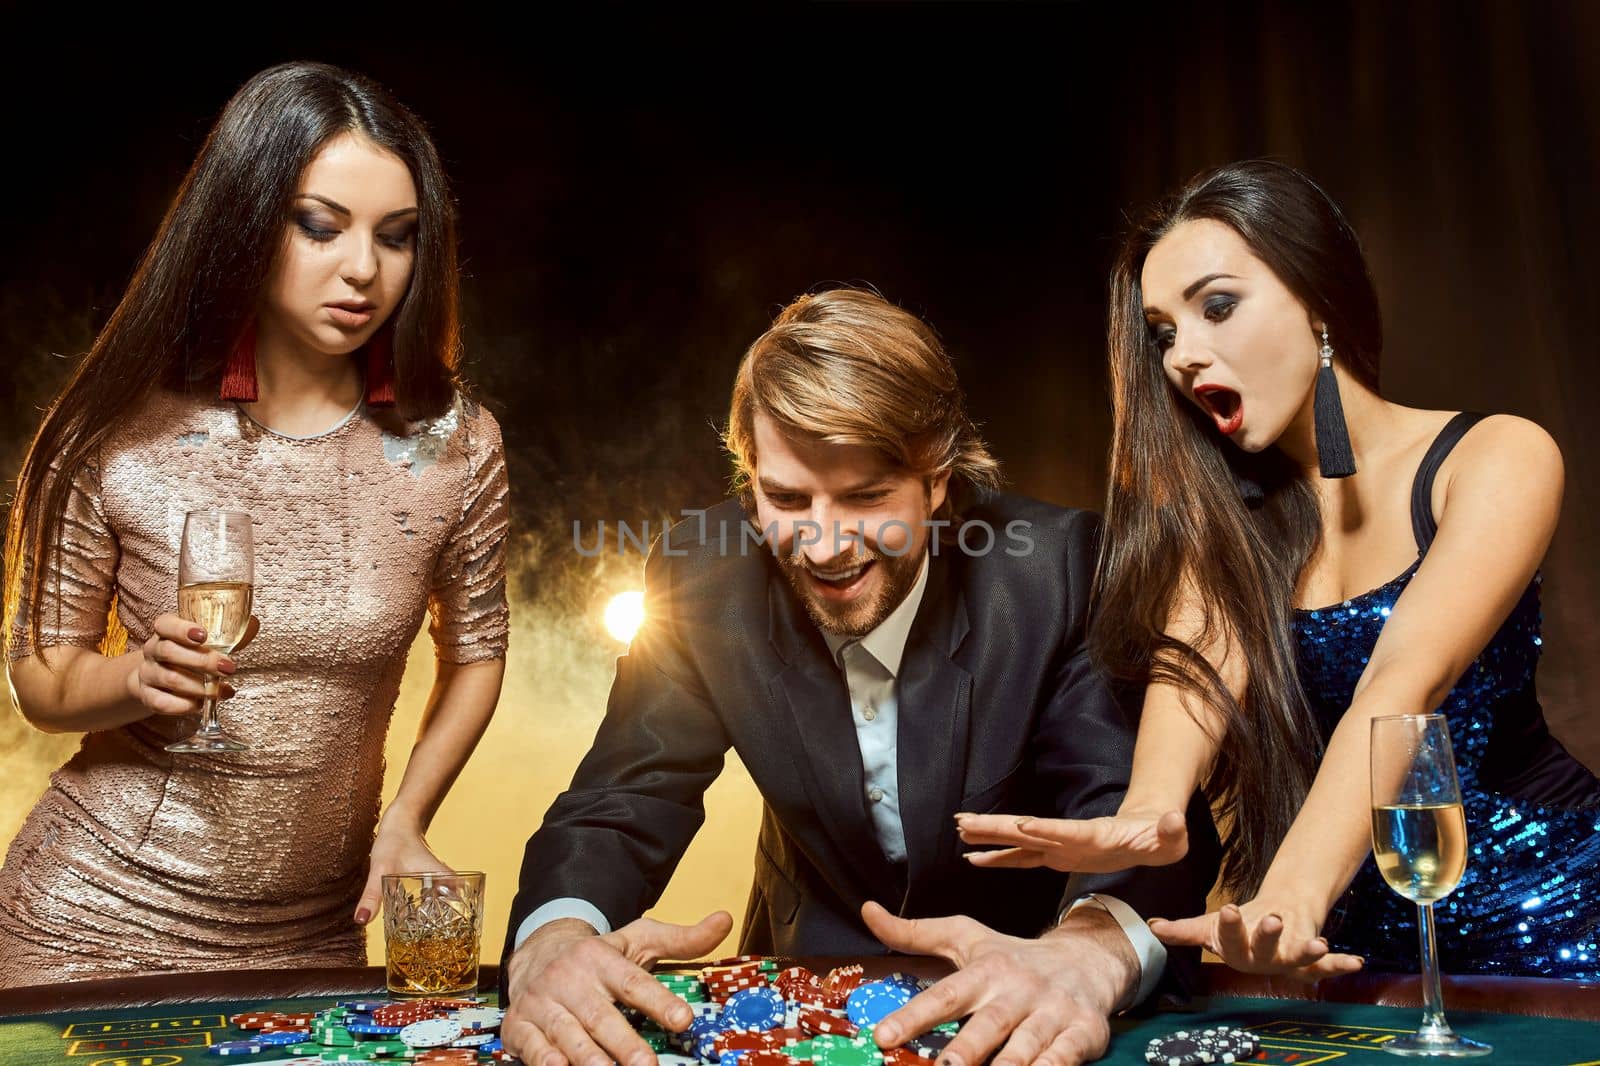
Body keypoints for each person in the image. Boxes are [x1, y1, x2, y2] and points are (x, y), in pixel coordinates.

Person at [498, 288, 1220, 1066]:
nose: (821, 544)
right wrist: (553, 940)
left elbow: (1129, 815)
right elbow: (623, 801)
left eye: (866, 497)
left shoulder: (1063, 569)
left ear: (938, 480)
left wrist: (1087, 953)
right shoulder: (700, 572)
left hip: (1031, 1000)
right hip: (804, 987)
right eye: (784, 498)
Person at [958, 160, 1600, 981]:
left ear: (1317, 297)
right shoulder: (1229, 527)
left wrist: (1291, 891)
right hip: (1369, 951)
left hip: (1559, 917)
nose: (1183, 357)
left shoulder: (1493, 455)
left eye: (1217, 307)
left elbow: (1402, 685)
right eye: (1163, 333)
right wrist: (1148, 818)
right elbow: (1191, 679)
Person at [0, 61, 510, 986]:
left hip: (316, 937)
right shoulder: (116, 430)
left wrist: (407, 819)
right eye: (320, 226)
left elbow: (478, 651)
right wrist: (134, 678)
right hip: (90, 922)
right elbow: (40, 676)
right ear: (244, 219)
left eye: (397, 238)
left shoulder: (456, 446)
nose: (364, 268)